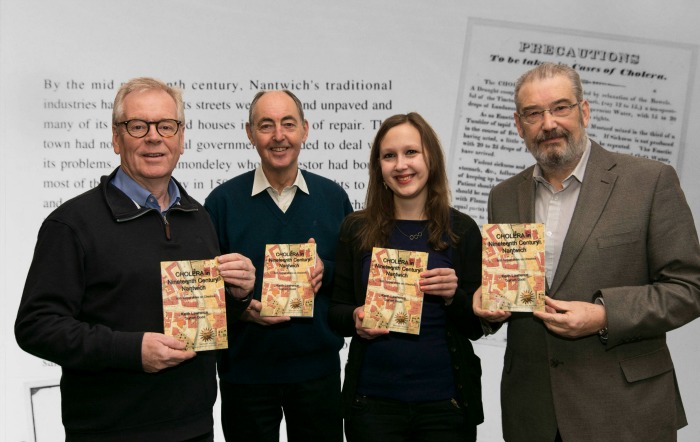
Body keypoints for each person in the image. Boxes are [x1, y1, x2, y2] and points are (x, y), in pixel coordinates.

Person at [14, 77, 255, 442]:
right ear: (116, 138)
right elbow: (36, 326)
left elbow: (207, 321)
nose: (154, 137)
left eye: (166, 126)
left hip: (195, 426)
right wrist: (130, 350)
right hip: (110, 431)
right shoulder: (71, 224)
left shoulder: (198, 218)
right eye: (138, 126)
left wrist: (237, 296)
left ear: (181, 138)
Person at [473, 62, 700, 442]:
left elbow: (689, 288)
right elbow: (511, 288)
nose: (549, 124)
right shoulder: (504, 195)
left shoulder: (649, 181)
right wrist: (487, 305)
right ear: (518, 124)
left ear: (585, 111)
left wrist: (605, 314)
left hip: (625, 409)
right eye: (534, 113)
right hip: (533, 412)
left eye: (560, 107)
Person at [204, 89, 352, 442]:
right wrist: (241, 310)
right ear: (249, 133)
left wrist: (325, 271)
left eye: (288, 124)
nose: (278, 136)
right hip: (246, 374)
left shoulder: (334, 198)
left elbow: (352, 281)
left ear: (305, 129)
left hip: (318, 372)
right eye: (266, 125)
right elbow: (203, 296)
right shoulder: (221, 203)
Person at [328, 112, 484, 442]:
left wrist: (453, 296)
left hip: (446, 406)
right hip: (371, 405)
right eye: (389, 156)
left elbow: (476, 327)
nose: (401, 165)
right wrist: (356, 318)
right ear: (379, 168)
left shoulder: (463, 230)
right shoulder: (356, 230)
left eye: (411, 152)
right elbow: (336, 311)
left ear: (431, 158)